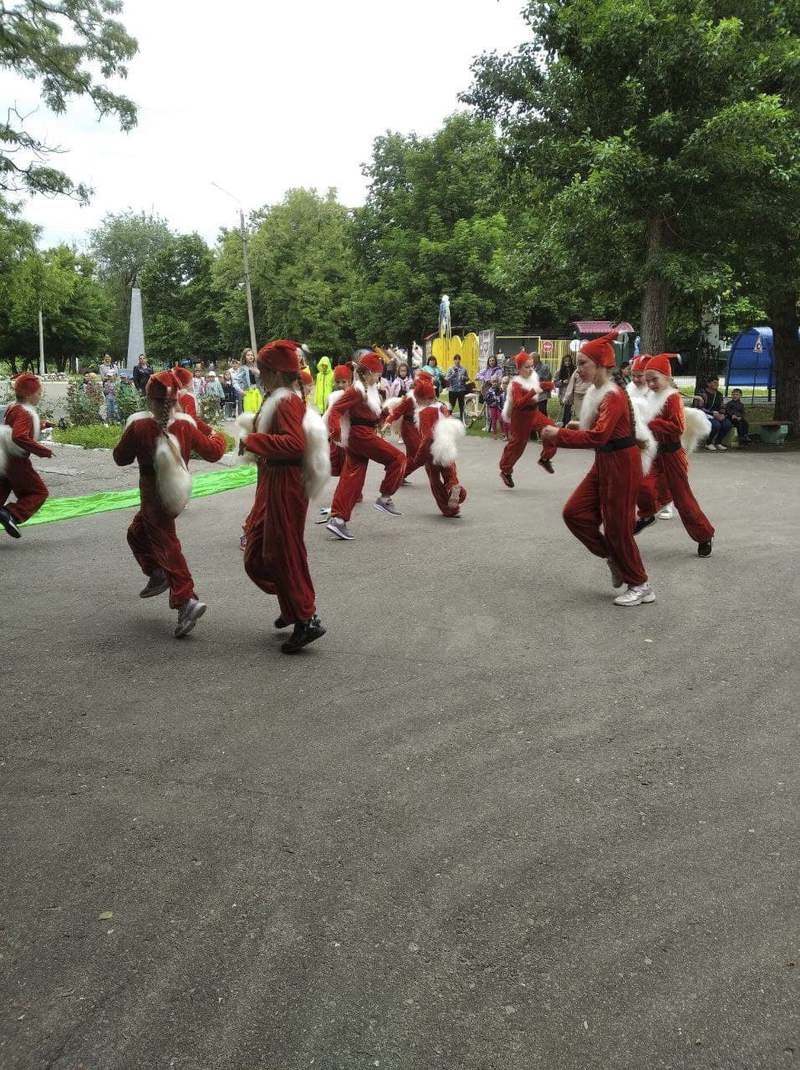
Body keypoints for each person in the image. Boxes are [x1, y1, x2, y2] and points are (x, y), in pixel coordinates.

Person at [541, 331, 654, 607]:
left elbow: (599, 436)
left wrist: (557, 435)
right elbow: (601, 430)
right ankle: (613, 557)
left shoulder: (613, 395)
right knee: (574, 513)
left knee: (618, 527)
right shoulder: (596, 391)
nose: (577, 369)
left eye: (583, 363)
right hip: (605, 461)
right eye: (578, 363)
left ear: (602, 364)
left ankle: (640, 584)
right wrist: (577, 427)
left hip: (621, 464)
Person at [112, 370, 227, 637]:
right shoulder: (186, 425)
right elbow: (214, 452)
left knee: (167, 546)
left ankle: (186, 600)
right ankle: (157, 574)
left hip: (152, 494)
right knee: (136, 534)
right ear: (177, 399)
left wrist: (127, 438)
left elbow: (120, 458)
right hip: (176, 491)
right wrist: (218, 434)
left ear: (148, 398)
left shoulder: (139, 426)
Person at [239, 339, 328, 654]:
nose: (258, 375)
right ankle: (294, 607)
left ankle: (306, 617)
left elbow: (293, 444)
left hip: (286, 481)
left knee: (284, 550)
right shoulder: (279, 398)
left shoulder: (286, 401)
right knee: (259, 552)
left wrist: (254, 440)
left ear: (275, 372)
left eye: (262, 370)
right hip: (273, 479)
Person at [634, 354, 714, 556]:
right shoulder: (650, 397)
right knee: (642, 485)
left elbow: (677, 427)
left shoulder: (673, 398)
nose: (650, 384)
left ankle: (704, 535)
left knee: (683, 500)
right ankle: (647, 514)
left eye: (655, 379)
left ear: (667, 378)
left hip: (672, 456)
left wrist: (651, 424)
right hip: (654, 453)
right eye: (648, 379)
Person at [325, 351, 406, 541]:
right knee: (398, 458)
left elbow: (371, 416)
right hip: (361, 436)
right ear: (368, 372)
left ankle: (337, 521)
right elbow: (336, 409)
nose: (379, 377)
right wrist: (334, 430)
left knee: (352, 480)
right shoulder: (356, 390)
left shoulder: (369, 390)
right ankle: (385, 497)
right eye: (377, 373)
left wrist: (383, 415)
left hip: (361, 436)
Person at [0, 373, 53, 538]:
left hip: (4, 456)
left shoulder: (14, 407)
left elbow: (16, 428)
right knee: (38, 492)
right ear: (29, 394)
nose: (40, 396)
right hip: (16, 460)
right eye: (39, 393)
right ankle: (12, 514)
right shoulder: (25, 412)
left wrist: (42, 425)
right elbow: (19, 436)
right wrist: (42, 451)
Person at [408, 373, 467, 518]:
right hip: (446, 444)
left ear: (420, 399)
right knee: (450, 473)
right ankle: (454, 488)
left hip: (432, 450)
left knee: (434, 480)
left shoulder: (424, 413)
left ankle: (448, 508)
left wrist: (419, 458)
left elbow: (427, 437)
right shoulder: (442, 407)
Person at [499, 351, 558, 487]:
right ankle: (506, 470)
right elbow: (519, 403)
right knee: (517, 446)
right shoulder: (516, 384)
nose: (531, 369)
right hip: (519, 416)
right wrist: (534, 391)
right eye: (527, 367)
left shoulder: (533, 376)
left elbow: (538, 386)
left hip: (533, 412)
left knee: (552, 429)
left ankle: (545, 458)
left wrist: (548, 385)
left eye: (532, 366)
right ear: (519, 369)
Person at [698, 377, 731, 450]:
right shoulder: (702, 394)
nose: (717, 384)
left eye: (717, 382)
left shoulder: (719, 394)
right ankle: (708, 443)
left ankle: (718, 442)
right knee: (716, 425)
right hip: (705, 415)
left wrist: (722, 414)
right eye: (714, 382)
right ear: (708, 384)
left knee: (727, 424)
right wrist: (712, 413)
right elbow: (699, 407)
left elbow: (722, 406)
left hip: (717, 415)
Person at [444, 354, 469, 421]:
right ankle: (448, 417)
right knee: (451, 405)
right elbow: (446, 379)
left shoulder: (464, 369)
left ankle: (462, 418)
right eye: (456, 359)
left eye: (458, 359)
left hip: (461, 390)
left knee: (461, 405)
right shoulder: (450, 369)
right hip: (452, 390)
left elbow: (468, 378)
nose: (457, 360)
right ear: (454, 360)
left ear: (460, 360)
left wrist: (464, 378)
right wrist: (453, 375)